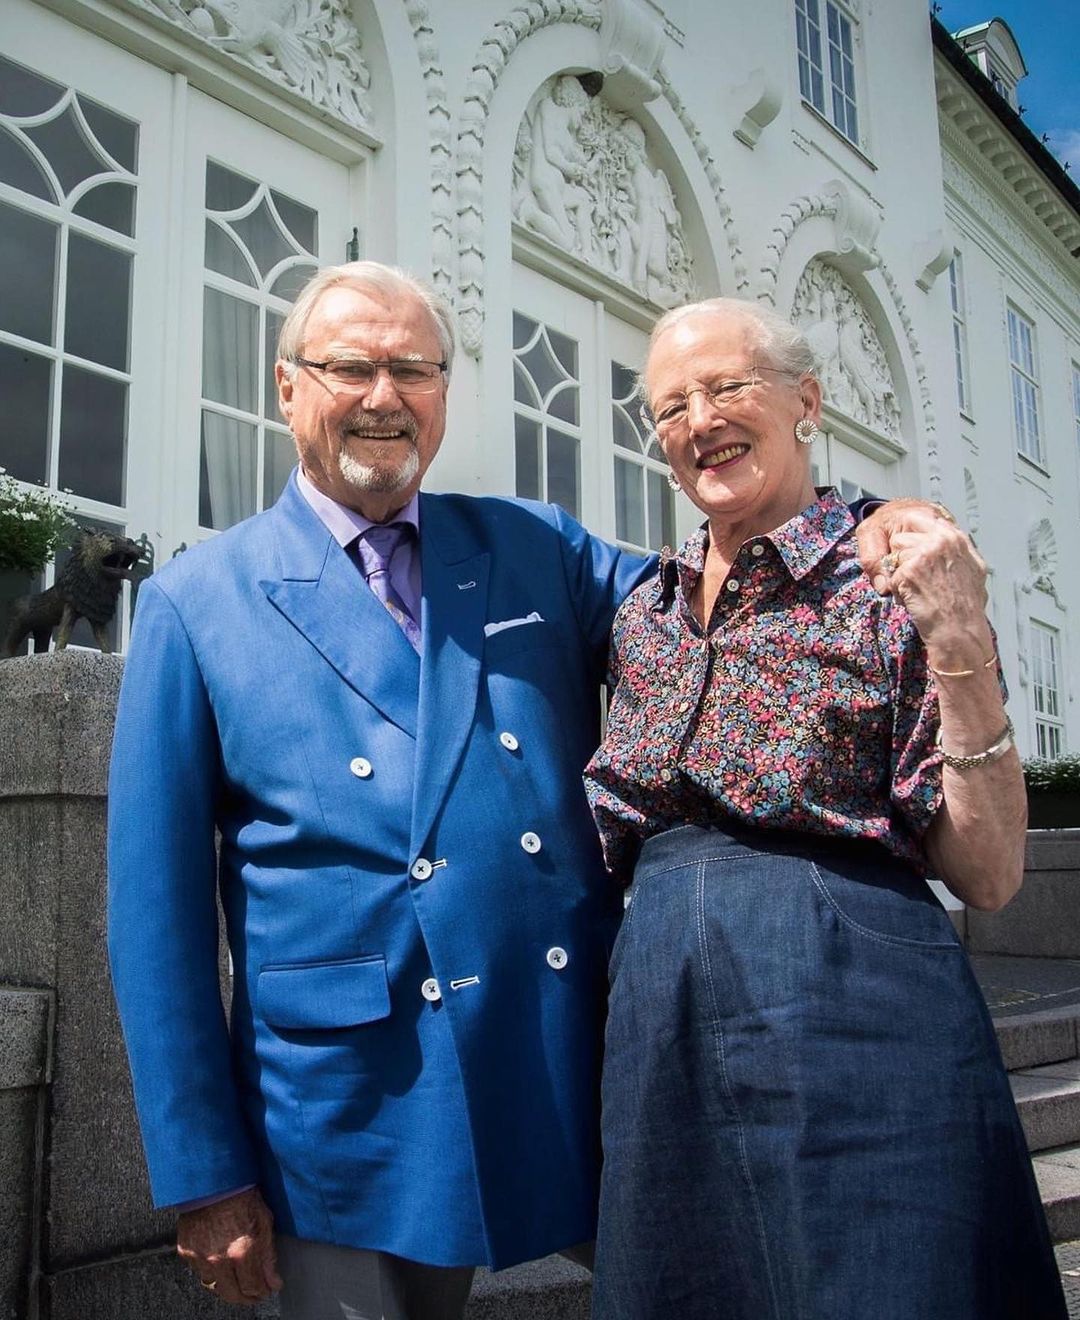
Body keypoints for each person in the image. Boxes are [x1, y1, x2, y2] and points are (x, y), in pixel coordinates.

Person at [107, 262, 983, 1320]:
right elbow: (152, 919)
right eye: (350, 367)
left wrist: (884, 521)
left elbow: (720, 579)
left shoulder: (532, 546)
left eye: (414, 370)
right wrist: (206, 1172)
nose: (385, 396)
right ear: (289, 387)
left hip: (565, 1048)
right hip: (346, 1098)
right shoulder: (196, 600)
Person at [584, 296, 1066, 1319]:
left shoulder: (894, 576)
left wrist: (965, 648)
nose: (698, 420)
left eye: (726, 387)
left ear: (806, 399)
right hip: (660, 1009)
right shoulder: (643, 607)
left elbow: (987, 874)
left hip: (856, 993)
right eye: (670, 407)